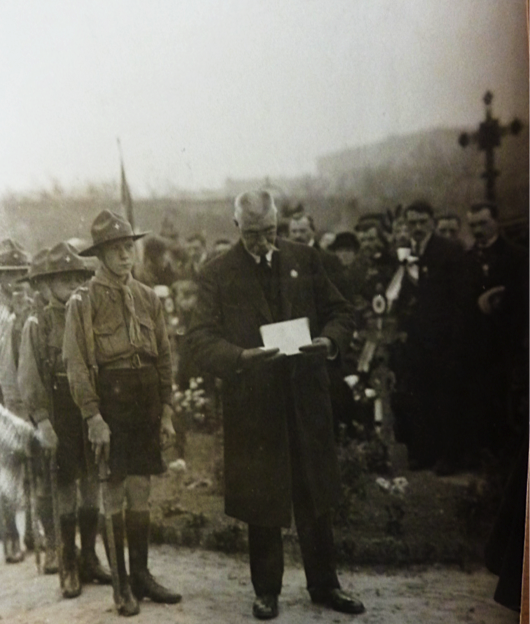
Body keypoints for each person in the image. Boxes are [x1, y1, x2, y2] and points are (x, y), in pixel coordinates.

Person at [186, 190, 365, 620]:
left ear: (278, 223)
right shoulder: (217, 273)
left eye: (269, 231)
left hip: (305, 399)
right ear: (236, 228)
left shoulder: (305, 257)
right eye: (252, 234)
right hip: (255, 401)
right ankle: (266, 591)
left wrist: (330, 341)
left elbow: (342, 312)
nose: (263, 241)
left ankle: (325, 585)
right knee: (262, 500)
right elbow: (199, 340)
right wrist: (239, 358)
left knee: (314, 495)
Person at [63, 210, 180, 617]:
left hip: (145, 398)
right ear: (100, 255)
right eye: (116, 249)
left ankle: (143, 575)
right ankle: (122, 587)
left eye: (128, 247)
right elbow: (76, 364)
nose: (125, 255)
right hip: (109, 402)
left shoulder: (148, 296)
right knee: (112, 488)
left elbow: (165, 356)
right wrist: (93, 417)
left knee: (141, 488)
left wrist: (166, 410)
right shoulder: (84, 301)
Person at [19, 242, 112, 597]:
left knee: (91, 486)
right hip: (58, 413)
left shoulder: (88, 314)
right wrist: (42, 422)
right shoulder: (37, 324)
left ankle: (90, 557)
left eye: (77, 277)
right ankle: (68, 562)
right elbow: (29, 378)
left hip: (85, 408)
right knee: (64, 489)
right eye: (63, 280)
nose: (73, 285)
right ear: (43, 285)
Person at [396, 200, 464, 474]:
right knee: (419, 397)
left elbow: (459, 300)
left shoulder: (449, 251)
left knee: (444, 398)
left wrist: (455, 339)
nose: (417, 228)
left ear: (432, 222)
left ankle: (450, 456)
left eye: (422, 222)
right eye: (412, 223)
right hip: (415, 339)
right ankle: (424, 452)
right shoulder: (405, 253)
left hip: (443, 339)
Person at [460, 201, 528, 463]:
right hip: (478, 344)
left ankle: (509, 456)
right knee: (481, 397)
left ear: (496, 222)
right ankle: (486, 454)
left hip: (509, 342)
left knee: (508, 399)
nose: (478, 230)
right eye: (473, 225)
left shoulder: (518, 256)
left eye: (483, 223)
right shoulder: (467, 261)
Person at [0, 239, 33, 564]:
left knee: (33, 464)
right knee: (7, 468)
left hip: (26, 391)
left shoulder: (28, 305)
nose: (15, 279)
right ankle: (9, 536)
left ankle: (34, 532)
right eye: (9, 273)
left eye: (21, 271)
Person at [288, 214, 347, 296]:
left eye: (302, 231)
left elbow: (338, 293)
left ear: (313, 232)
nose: (298, 235)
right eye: (294, 231)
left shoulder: (329, 259)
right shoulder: (284, 258)